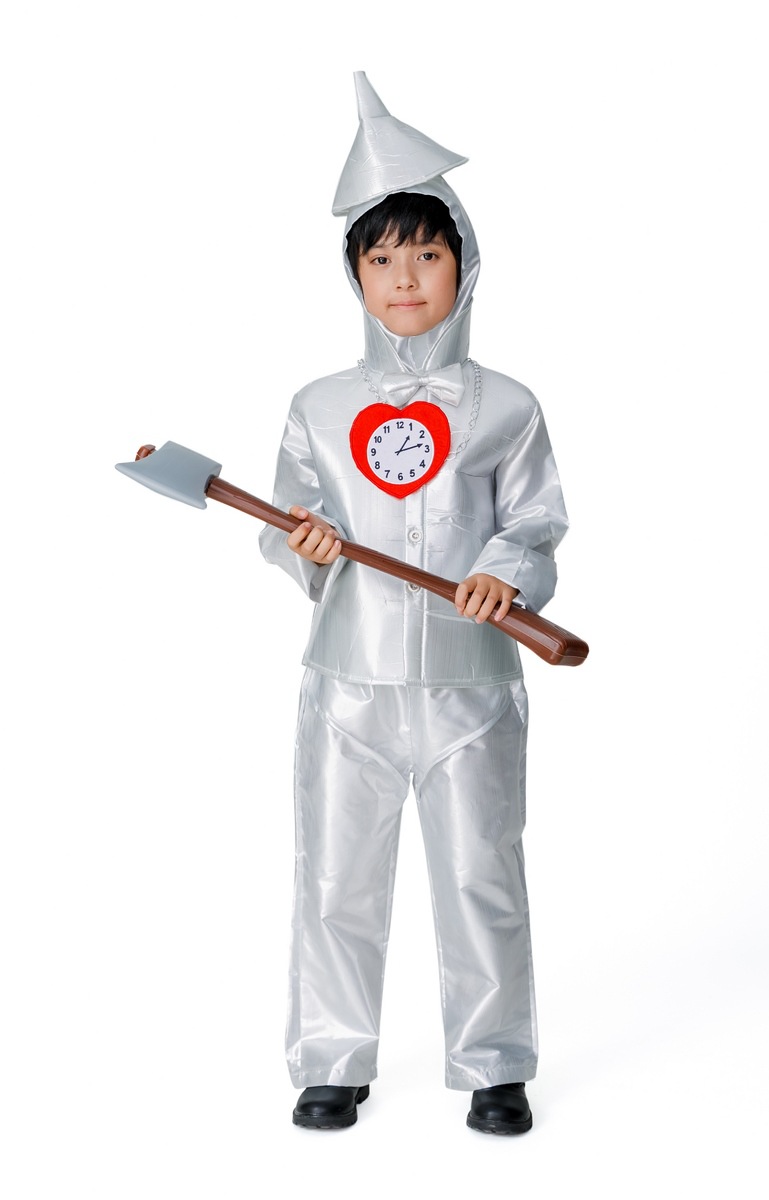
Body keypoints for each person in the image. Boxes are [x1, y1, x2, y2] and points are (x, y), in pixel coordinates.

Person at [259, 73, 569, 1135]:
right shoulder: (317, 405)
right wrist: (301, 543)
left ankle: (494, 1061)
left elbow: (535, 522)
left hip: (472, 686)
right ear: (353, 274)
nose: (404, 278)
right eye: (381, 259)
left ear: (463, 265)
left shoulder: (507, 406)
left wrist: (505, 570)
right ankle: (330, 1057)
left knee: (482, 874)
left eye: (426, 255)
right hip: (347, 683)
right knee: (335, 876)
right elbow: (284, 519)